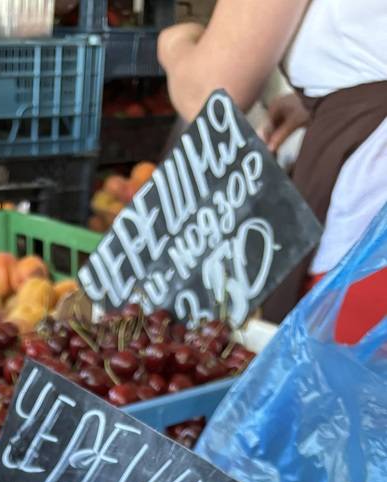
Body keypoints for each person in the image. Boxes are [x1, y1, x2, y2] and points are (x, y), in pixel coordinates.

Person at [156, 0, 387, 318]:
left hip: (370, 203)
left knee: (337, 337)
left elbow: (210, 92)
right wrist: (320, 96)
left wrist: (173, 43)